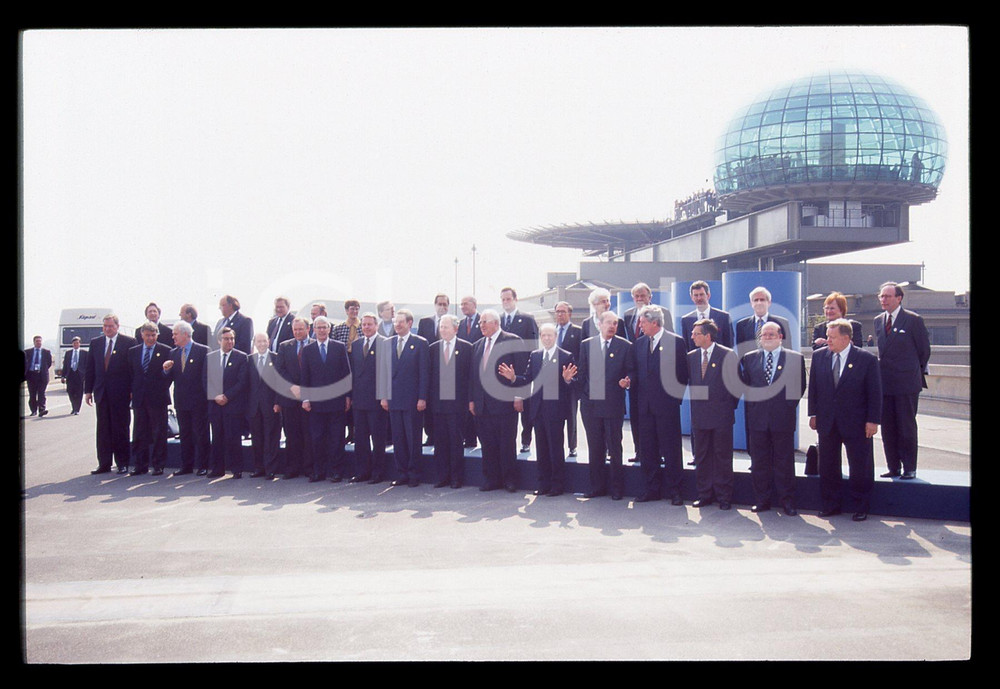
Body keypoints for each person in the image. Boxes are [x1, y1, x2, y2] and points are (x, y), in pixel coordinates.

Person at [808, 318, 882, 521]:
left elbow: (875, 393)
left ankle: (861, 505)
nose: (828, 341)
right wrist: (813, 414)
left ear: (846, 338)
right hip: (827, 421)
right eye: (828, 336)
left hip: (857, 423)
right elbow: (814, 387)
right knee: (828, 465)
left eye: (832, 337)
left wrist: (873, 420)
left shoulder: (866, 360)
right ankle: (831, 504)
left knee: (860, 465)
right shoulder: (819, 356)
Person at [739, 321, 806, 515]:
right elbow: (747, 386)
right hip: (757, 419)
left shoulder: (795, 359)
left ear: (780, 337)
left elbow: (799, 387)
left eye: (771, 334)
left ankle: (787, 501)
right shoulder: (749, 358)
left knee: (784, 462)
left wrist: (785, 407)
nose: (767, 338)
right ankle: (762, 500)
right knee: (759, 462)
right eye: (764, 335)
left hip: (782, 419)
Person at [502, 323, 576, 497]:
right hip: (537, 410)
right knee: (541, 450)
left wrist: (567, 380)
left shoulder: (566, 356)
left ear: (556, 337)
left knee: (555, 450)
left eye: (550, 335)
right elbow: (527, 379)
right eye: (544, 336)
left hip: (555, 412)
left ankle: (557, 486)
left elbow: (573, 385)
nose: (547, 338)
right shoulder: (535, 356)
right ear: (541, 337)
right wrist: (514, 378)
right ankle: (543, 484)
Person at [627, 306, 690, 504]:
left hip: (667, 406)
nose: (639, 325)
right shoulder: (639, 343)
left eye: (643, 322)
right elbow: (635, 370)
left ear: (654, 322)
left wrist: (674, 399)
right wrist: (629, 380)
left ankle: (675, 491)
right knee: (648, 449)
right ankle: (651, 489)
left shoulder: (676, 342)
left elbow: (683, 373)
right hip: (644, 407)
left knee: (671, 448)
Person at [874, 281, 930, 480]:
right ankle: (893, 466)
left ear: (899, 298)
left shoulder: (913, 320)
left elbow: (924, 351)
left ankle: (909, 467)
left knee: (906, 426)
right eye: (881, 296)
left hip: (906, 383)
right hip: (886, 383)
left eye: (888, 296)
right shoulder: (878, 320)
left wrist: (912, 371)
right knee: (888, 427)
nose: (884, 300)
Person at [469, 309, 525, 492]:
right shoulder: (477, 345)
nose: (481, 325)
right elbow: (473, 377)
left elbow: (521, 372)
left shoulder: (512, 341)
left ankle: (509, 480)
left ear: (496, 323)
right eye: (480, 323)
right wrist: (472, 400)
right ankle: (491, 479)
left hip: (504, 403)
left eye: (485, 322)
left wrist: (519, 397)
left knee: (506, 444)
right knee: (488, 444)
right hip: (482, 405)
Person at [577, 311, 631, 500]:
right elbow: (581, 373)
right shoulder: (586, 345)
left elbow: (631, 371)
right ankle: (597, 487)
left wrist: (627, 381)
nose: (612, 326)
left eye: (615, 323)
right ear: (599, 324)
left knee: (614, 447)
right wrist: (570, 381)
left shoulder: (625, 346)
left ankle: (617, 488)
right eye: (609, 323)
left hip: (612, 404)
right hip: (590, 406)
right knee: (595, 447)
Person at [688, 319, 740, 510]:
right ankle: (704, 494)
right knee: (702, 456)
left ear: (708, 336)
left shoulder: (727, 355)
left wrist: (725, 407)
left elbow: (736, 387)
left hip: (721, 417)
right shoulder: (691, 357)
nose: (692, 336)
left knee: (722, 457)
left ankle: (724, 496)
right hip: (700, 417)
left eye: (696, 333)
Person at [300, 315, 352, 483]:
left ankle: (337, 471)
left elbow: (346, 374)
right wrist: (305, 399)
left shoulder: (339, 347)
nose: (321, 330)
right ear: (313, 330)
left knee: (337, 438)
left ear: (329, 329)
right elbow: (305, 377)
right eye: (318, 328)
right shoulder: (307, 350)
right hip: (315, 404)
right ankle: (319, 471)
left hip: (336, 401)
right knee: (317, 439)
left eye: (324, 327)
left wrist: (347, 397)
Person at [382, 309, 429, 487]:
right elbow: (384, 373)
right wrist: (384, 397)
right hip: (394, 400)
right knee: (398, 438)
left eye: (401, 322)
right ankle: (401, 473)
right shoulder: (388, 343)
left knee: (413, 438)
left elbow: (424, 373)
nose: (398, 325)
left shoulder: (420, 343)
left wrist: (422, 397)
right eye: (396, 322)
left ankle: (414, 473)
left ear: (410, 323)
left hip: (413, 400)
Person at [85, 315, 137, 474]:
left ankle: (122, 462)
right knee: (103, 430)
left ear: (117, 326)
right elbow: (90, 368)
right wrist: (88, 391)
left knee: (120, 428)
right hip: (101, 393)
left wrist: (132, 391)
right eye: (105, 326)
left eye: (110, 326)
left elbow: (133, 370)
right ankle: (104, 464)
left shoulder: (129, 342)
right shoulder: (96, 343)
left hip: (121, 394)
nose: (107, 329)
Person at [428, 314, 472, 489]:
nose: (442, 330)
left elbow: (470, 378)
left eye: (446, 327)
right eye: (441, 327)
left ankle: (456, 478)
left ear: (455, 328)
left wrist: (469, 401)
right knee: (440, 442)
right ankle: (442, 476)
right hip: (438, 405)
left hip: (457, 405)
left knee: (455, 442)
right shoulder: (433, 349)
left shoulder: (467, 348)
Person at [162, 321, 211, 476]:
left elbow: (207, 377)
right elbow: (168, 380)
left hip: (199, 401)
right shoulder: (173, 353)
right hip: (181, 401)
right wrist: (165, 370)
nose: (173, 337)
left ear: (185, 334)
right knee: (185, 434)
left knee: (201, 433)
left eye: (175, 334)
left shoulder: (203, 351)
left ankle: (203, 465)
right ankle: (186, 466)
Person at [349, 313, 391, 484]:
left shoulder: (384, 343)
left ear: (376, 325)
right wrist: (351, 397)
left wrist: (384, 397)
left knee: (378, 438)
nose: (366, 327)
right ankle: (362, 471)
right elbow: (353, 373)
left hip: (377, 400)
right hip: (359, 400)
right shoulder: (357, 344)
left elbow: (387, 373)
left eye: (369, 324)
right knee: (360, 439)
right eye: (364, 325)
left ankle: (377, 472)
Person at [127, 322, 172, 475]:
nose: (150, 338)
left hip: (158, 398)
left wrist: (166, 371)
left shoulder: (166, 351)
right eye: (147, 335)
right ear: (142, 335)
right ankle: (140, 465)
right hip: (139, 398)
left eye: (153, 335)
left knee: (159, 433)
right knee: (139, 433)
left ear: (157, 335)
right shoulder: (133, 351)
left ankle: (158, 465)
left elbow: (169, 376)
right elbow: (131, 374)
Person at [499, 287, 538, 453]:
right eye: (503, 300)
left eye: (508, 299)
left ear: (515, 300)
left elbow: (534, 346)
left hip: (522, 371)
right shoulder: (498, 320)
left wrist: (530, 370)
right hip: (502, 372)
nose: (506, 302)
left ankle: (526, 440)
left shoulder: (527, 319)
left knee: (524, 407)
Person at [206, 327, 249, 478]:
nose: (230, 341)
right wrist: (215, 396)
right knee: (217, 438)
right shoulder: (210, 357)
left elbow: (242, 382)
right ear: (219, 340)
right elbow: (205, 380)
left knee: (233, 438)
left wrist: (227, 396)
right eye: (226, 339)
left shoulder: (241, 357)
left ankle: (237, 469)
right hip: (215, 405)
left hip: (233, 405)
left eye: (232, 338)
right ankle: (218, 468)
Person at [274, 316, 314, 479]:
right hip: (290, 398)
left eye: (300, 329)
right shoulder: (285, 346)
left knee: (308, 434)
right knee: (291, 434)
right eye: (295, 330)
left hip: (310, 398)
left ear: (308, 329)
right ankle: (293, 467)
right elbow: (280, 371)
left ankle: (309, 467)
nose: (297, 332)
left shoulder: (314, 345)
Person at [246, 333, 282, 479]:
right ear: (254, 343)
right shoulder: (249, 360)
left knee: (271, 438)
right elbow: (246, 384)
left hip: (271, 405)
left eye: (263, 341)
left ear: (268, 342)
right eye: (258, 341)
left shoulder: (276, 358)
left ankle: (270, 469)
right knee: (257, 438)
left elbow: (281, 383)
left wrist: (278, 402)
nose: (261, 344)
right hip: (254, 407)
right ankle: (259, 468)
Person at [417, 294, 451, 447]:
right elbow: (419, 345)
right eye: (440, 304)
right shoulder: (425, 322)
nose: (442, 307)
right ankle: (430, 436)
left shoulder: (453, 322)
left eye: (445, 304)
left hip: (448, 370)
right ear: (435, 305)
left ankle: (444, 436)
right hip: (429, 369)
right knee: (429, 406)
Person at [553, 301, 582, 457]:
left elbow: (580, 356)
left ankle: (572, 446)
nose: (559, 314)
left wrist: (574, 376)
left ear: (569, 314)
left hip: (570, 380)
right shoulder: (551, 332)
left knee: (571, 414)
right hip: (553, 382)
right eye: (557, 311)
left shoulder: (578, 332)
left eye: (563, 311)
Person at [332, 299, 362, 444]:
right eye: (351, 309)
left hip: (360, 364)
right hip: (343, 363)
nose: (354, 312)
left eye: (357, 309)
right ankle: (348, 431)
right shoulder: (339, 328)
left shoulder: (363, 326)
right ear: (346, 310)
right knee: (346, 399)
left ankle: (357, 432)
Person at [735, 286, 791, 357]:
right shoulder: (742, 325)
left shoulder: (782, 323)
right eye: (756, 300)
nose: (759, 303)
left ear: (769, 302)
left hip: (775, 365)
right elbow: (741, 353)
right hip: (750, 366)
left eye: (762, 300)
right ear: (751, 303)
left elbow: (787, 350)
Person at [458, 295, 483, 449]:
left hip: (479, 370)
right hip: (462, 371)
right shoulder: (459, 324)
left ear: (474, 304)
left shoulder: (483, 321)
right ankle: (468, 438)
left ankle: (477, 439)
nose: (462, 307)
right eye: (461, 305)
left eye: (465, 304)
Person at [681, 280, 733, 350]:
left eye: (701, 294)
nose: (699, 298)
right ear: (692, 297)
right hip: (696, 360)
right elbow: (686, 347)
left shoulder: (723, 317)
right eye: (696, 295)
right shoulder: (686, 320)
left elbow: (729, 344)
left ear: (708, 295)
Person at [24, 335, 53, 417]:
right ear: (34, 342)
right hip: (31, 375)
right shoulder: (28, 352)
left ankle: (42, 409)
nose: (39, 343)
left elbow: (49, 363)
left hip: (42, 375)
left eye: (40, 341)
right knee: (32, 394)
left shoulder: (46, 352)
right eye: (37, 341)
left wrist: (42, 370)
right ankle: (33, 410)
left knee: (41, 393)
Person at [62, 336, 88, 415]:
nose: (76, 344)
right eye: (74, 343)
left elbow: (87, 365)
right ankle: (73, 407)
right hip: (70, 374)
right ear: (72, 344)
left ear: (80, 344)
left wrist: (86, 376)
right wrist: (63, 376)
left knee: (79, 392)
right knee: (70, 391)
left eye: (77, 343)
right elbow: (65, 365)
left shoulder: (85, 353)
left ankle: (77, 409)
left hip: (80, 375)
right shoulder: (68, 353)